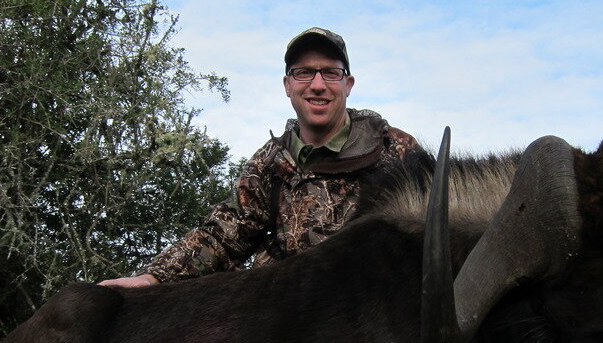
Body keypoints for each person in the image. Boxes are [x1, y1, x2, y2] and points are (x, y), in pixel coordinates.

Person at [99, 27, 421, 287]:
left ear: (348, 84)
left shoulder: (396, 150)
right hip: (283, 315)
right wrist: (152, 277)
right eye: (304, 73)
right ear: (287, 85)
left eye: (331, 74)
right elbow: (225, 235)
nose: (318, 85)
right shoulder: (270, 161)